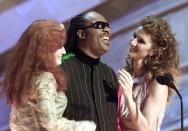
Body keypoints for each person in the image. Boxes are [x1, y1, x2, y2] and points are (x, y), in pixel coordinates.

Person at [3, 20, 96, 131]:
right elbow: (50, 124)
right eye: (58, 47)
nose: (63, 51)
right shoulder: (43, 79)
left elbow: (15, 124)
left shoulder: (24, 80)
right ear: (45, 50)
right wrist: (85, 127)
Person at [117, 16, 181, 131]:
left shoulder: (158, 83)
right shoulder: (127, 76)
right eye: (134, 36)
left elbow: (147, 129)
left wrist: (128, 97)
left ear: (153, 51)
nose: (133, 42)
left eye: (141, 41)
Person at [61, 11, 118, 131]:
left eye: (107, 26)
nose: (107, 30)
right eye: (99, 26)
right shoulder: (61, 69)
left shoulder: (109, 73)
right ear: (81, 34)